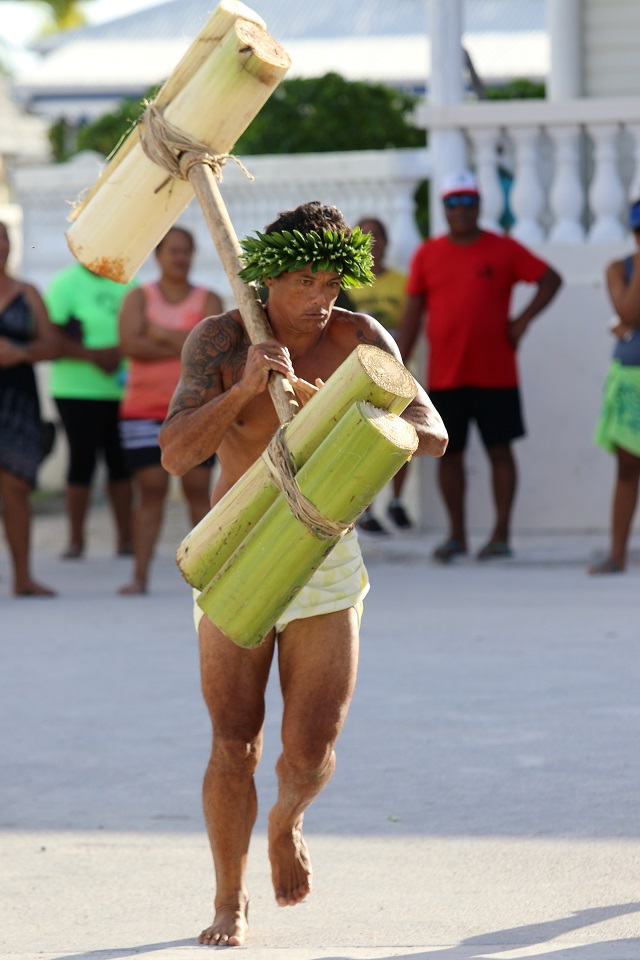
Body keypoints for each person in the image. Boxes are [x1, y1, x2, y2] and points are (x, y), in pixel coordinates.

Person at [158, 200, 448, 946]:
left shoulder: (359, 338)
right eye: (304, 283)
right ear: (267, 278)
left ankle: (286, 820)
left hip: (325, 553)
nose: (320, 299)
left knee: (311, 749)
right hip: (237, 553)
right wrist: (244, 391)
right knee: (234, 741)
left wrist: (350, 418)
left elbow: (433, 432)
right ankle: (229, 900)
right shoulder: (222, 339)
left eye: (331, 282)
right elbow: (176, 452)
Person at [398, 170, 562, 562]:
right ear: (444, 208)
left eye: (467, 202)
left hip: (496, 373)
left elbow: (551, 279)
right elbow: (413, 314)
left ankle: (501, 535)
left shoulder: (504, 249)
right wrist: (397, 362)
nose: (461, 210)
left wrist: (521, 323)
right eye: (453, 203)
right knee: (448, 455)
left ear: (478, 205)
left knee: (499, 452)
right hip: (446, 374)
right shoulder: (427, 254)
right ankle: (457, 536)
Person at [117, 226, 223, 594]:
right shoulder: (137, 297)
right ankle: (140, 575)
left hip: (196, 409)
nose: (179, 258)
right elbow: (130, 344)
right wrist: (187, 346)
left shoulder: (209, 299)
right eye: (173, 251)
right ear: (158, 255)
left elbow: (210, 353)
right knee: (150, 489)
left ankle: (211, 575)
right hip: (143, 409)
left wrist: (159, 335)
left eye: (186, 251)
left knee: (199, 489)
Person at [45, 262, 137, 559]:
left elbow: (140, 328)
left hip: (122, 390)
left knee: (120, 463)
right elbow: (52, 337)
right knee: (81, 461)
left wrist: (119, 352)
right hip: (75, 390)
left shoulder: (128, 284)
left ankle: (125, 540)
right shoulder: (65, 285)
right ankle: (75, 541)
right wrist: (92, 356)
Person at [0, 221, 59, 596]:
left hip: (18, 403)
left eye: (4, 238)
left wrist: (20, 352)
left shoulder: (28, 292)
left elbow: (53, 345)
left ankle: (22, 577)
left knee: (17, 488)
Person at [348, 217, 413, 532]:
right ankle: (366, 509)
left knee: (403, 437)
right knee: (365, 441)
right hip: (359, 375)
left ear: (387, 242)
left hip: (397, 371)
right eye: (366, 237)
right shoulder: (346, 284)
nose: (373, 243)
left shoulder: (402, 282)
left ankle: (397, 501)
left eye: (378, 236)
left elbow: (412, 325)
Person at [588, 198, 640, 575]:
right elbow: (627, 313)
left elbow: (625, 323)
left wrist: (625, 327)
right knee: (627, 468)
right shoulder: (617, 268)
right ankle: (617, 554)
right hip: (630, 379)